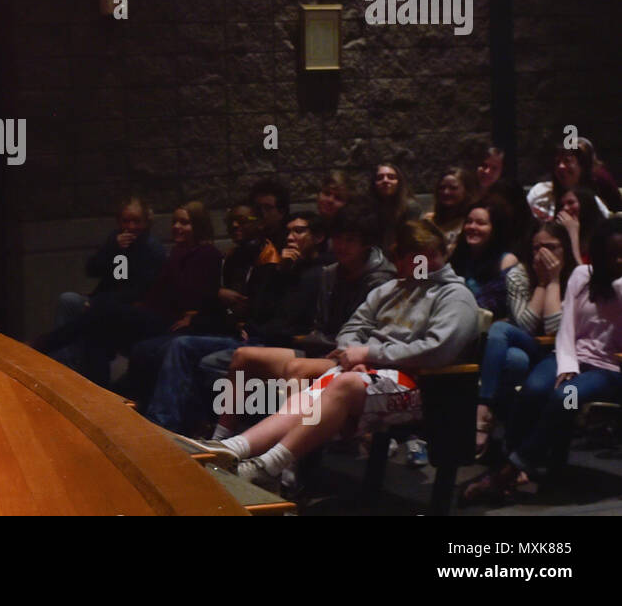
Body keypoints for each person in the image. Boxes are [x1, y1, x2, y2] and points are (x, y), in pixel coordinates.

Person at [188, 220, 478, 486]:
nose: (396, 264)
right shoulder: (392, 288)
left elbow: (436, 351)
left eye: (402, 257)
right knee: (314, 392)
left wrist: (369, 353)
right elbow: (353, 326)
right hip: (369, 372)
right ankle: (233, 448)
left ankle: (269, 466)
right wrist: (354, 352)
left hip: (420, 384)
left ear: (423, 257)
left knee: (339, 383)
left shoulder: (454, 296)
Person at [462, 218, 622, 504]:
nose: (619, 260)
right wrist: (569, 365)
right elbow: (566, 328)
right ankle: (517, 458)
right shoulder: (582, 275)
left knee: (565, 398)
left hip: (606, 367)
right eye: (613, 254)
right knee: (535, 389)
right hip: (567, 356)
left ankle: (510, 470)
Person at [205, 201, 396, 440]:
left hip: (356, 358)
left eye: (349, 240)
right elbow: (319, 324)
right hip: (324, 348)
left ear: (366, 243)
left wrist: (340, 349)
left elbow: (376, 333)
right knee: (243, 356)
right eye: (338, 238)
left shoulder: (383, 280)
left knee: (297, 369)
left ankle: (287, 457)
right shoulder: (331, 272)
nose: (341, 246)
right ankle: (220, 440)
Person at [141, 212, 330, 435]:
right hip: (248, 335)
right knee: (180, 345)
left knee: (208, 363)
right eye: (288, 231)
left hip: (279, 344)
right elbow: (258, 308)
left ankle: (204, 429)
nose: (290, 237)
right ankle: (162, 425)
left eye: (298, 231)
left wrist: (255, 327)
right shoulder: (279, 268)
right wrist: (281, 272)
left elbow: (294, 320)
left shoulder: (321, 273)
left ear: (317, 237)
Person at [38, 203, 222, 389]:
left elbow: (192, 292)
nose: (177, 227)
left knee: (101, 312)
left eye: (184, 223)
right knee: (86, 313)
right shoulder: (173, 251)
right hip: (139, 307)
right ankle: (88, 384)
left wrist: (193, 315)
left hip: (166, 318)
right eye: (175, 222)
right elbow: (94, 269)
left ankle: (44, 346)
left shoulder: (189, 252)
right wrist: (114, 249)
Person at [473, 221, 575, 458]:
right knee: (502, 334)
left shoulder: (576, 275)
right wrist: (541, 283)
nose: (543, 254)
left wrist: (553, 281)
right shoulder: (518, 274)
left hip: (560, 351)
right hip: (528, 343)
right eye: (537, 248)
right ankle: (485, 406)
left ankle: (510, 440)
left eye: (551, 247)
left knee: (514, 361)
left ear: (565, 249)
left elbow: (554, 328)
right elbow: (526, 326)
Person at [51, 196, 165, 333]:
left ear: (146, 223)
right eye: (126, 221)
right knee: (67, 300)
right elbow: (92, 270)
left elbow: (139, 290)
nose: (131, 227)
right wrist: (113, 248)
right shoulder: (115, 240)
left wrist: (99, 303)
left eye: (136, 221)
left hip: (129, 307)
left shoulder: (152, 248)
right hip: (105, 300)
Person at [527, 144, 611, 223]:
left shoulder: (594, 203)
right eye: (557, 162)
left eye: (567, 161)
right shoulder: (539, 191)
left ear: (581, 168)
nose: (561, 166)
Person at [367, 162, 421, 254]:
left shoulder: (410, 207)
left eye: (391, 177)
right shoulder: (369, 207)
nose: (385, 180)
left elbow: (410, 240)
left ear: (399, 182)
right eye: (380, 178)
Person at [423, 165, 477, 255]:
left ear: (466, 191)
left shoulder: (470, 223)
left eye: (453, 188)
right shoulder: (428, 220)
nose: (446, 192)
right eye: (442, 187)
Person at [555, 185, 605, 266]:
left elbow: (582, 275)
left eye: (570, 203)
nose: (565, 208)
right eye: (561, 205)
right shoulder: (559, 236)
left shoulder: (603, 236)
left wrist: (573, 233)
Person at [248, 179, 291, 251]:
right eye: (258, 208)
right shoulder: (251, 240)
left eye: (268, 208)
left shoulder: (290, 241)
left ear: (281, 212)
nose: (262, 213)